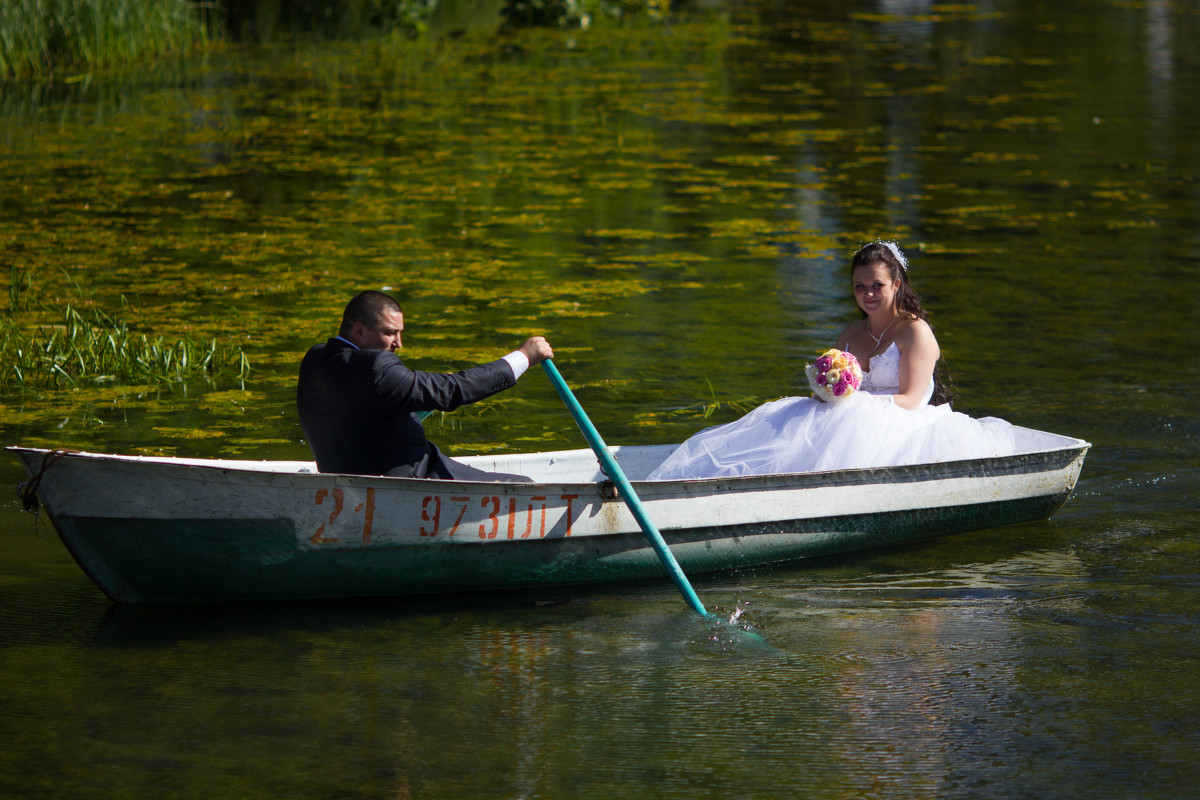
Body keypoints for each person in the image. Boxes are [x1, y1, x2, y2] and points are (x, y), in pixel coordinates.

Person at [647, 241, 1016, 480]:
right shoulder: (850, 335)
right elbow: (830, 395)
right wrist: (827, 394)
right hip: (853, 420)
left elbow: (909, 400)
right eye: (860, 286)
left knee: (843, 421)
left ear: (897, 285)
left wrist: (852, 407)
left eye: (877, 285)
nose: (868, 294)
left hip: (906, 428)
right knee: (791, 418)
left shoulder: (914, 332)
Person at [297, 290, 553, 480]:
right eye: (389, 333)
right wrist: (524, 357)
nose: (398, 343)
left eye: (400, 332)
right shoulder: (377, 367)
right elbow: (454, 390)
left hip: (346, 477)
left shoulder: (315, 358)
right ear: (360, 331)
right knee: (524, 484)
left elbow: (365, 412)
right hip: (407, 482)